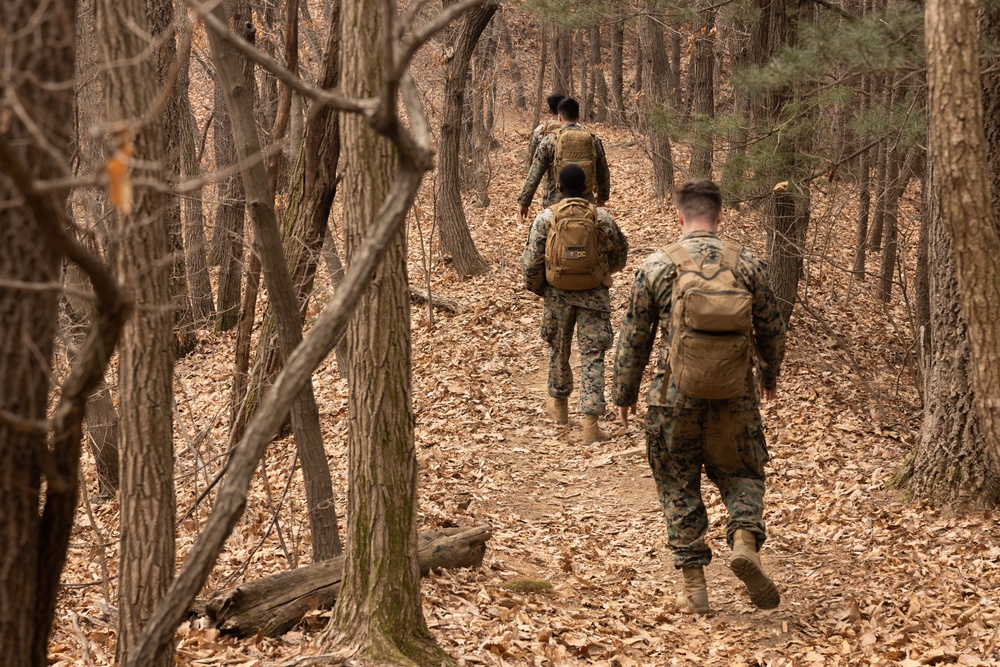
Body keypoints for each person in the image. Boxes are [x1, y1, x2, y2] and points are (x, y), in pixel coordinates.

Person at [611, 179, 786, 615]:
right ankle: (744, 540)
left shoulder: (656, 266)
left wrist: (625, 393)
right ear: (720, 215)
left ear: (679, 216)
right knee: (743, 474)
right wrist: (768, 375)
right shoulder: (749, 265)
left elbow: (634, 337)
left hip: (673, 398)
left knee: (677, 483)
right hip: (735, 397)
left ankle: (695, 589)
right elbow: (772, 330)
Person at [523, 164, 628, 444]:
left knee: (559, 348)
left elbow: (531, 263)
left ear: (559, 187)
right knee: (593, 354)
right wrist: (599, 273)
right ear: (586, 188)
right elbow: (620, 256)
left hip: (557, 294)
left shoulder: (546, 218)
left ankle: (560, 410)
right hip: (594, 294)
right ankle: (591, 425)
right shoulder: (602, 217)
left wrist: (543, 289)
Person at [517, 97, 610, 223]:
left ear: (559, 117)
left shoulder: (549, 140)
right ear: (578, 117)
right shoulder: (592, 139)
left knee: (553, 232)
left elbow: (535, 173)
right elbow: (602, 169)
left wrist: (524, 202)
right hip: (585, 201)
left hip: (555, 203)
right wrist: (603, 195)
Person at [526, 92, 565, 171]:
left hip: (546, 177)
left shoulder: (540, 130)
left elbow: (531, 158)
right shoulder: (578, 129)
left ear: (549, 110)